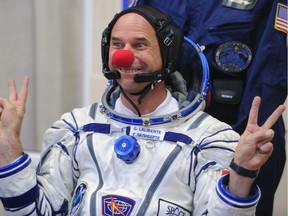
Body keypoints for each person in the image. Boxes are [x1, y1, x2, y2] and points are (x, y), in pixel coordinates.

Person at [0, 5, 285, 216]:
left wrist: (241, 173)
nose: (125, 56)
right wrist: (8, 146)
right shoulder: (75, 129)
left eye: (140, 45)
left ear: (167, 55)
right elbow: (33, 211)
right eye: (117, 45)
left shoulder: (209, 141)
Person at [130, 0, 288, 215]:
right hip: (163, 129)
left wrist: (237, 144)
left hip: (238, 127)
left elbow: (269, 70)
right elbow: (132, 49)